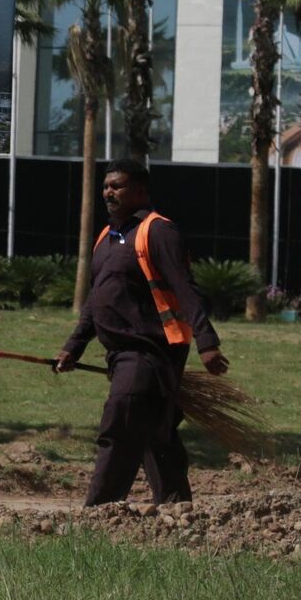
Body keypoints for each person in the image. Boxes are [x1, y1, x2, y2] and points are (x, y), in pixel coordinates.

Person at [53, 158, 230, 506]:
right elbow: (96, 299)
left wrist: (207, 342)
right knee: (155, 433)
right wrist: (73, 346)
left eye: (116, 186)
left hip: (150, 353)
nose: (108, 192)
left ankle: (99, 512)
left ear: (139, 191)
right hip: (120, 356)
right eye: (106, 186)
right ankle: (178, 510)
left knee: (121, 424)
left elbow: (185, 288)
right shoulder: (107, 236)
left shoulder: (158, 231)